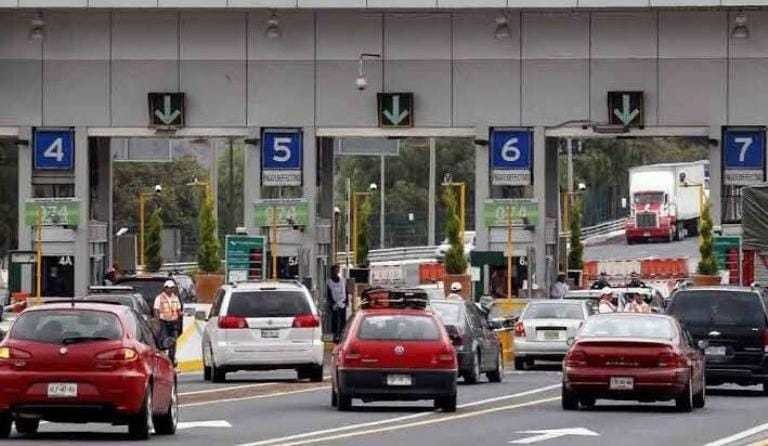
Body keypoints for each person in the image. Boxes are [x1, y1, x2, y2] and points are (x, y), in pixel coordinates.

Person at [154, 280, 182, 365]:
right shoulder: (159, 298)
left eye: (171, 288)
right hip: (164, 323)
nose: (170, 290)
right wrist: (158, 321)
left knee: (173, 343)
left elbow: (178, 310)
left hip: (174, 323)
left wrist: (180, 315)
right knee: (165, 342)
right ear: (165, 288)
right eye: (168, 288)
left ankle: (171, 361)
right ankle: (165, 361)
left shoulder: (175, 298)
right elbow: (156, 310)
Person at [326, 265, 349, 342]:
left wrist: (346, 302)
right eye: (334, 271)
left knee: (343, 321)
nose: (336, 272)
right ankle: (335, 336)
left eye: (337, 271)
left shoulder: (342, 280)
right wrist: (332, 304)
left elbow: (346, 291)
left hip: (342, 303)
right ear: (331, 272)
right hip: (334, 304)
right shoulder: (329, 282)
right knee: (334, 321)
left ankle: (342, 336)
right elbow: (328, 294)